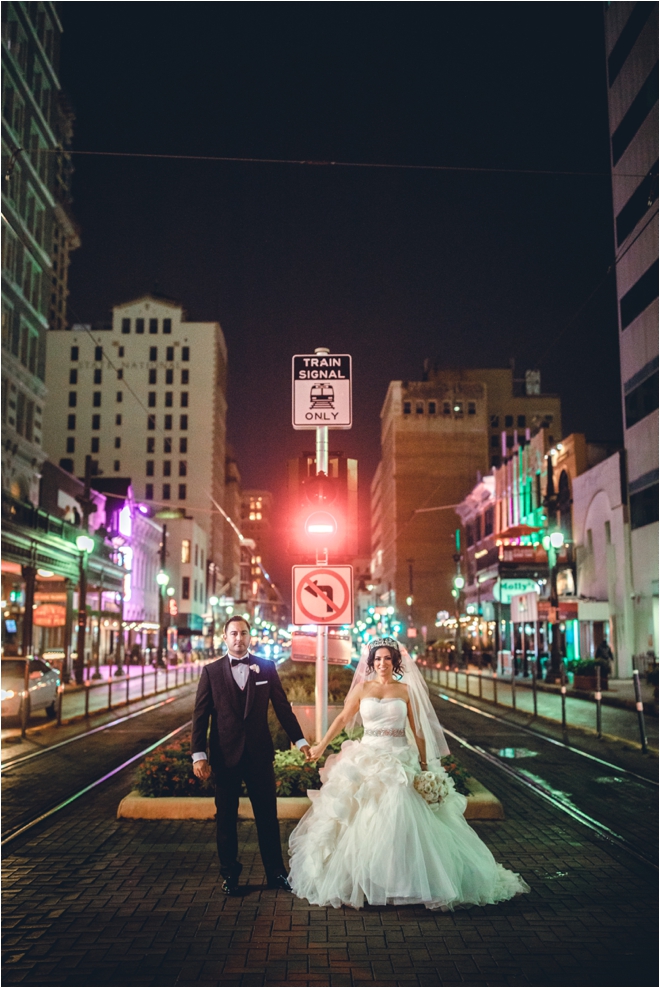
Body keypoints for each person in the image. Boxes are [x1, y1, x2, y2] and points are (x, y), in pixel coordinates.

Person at [288, 636, 530, 910]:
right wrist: (320, 746)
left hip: (399, 758)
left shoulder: (405, 690)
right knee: (361, 816)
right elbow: (343, 718)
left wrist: (427, 767)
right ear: (371, 663)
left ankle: (404, 882)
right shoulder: (362, 689)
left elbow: (417, 731)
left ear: (395, 662)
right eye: (377, 659)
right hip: (366, 757)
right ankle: (366, 880)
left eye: (387, 659)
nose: (382, 663)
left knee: (400, 809)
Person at [191, 616, 311, 894]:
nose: (239, 638)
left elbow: (282, 707)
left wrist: (300, 740)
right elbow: (200, 715)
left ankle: (276, 873)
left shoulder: (266, 668)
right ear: (225, 637)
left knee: (268, 816)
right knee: (226, 818)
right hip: (225, 755)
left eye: (244, 633)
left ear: (250, 636)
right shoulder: (211, 672)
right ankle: (229, 875)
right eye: (233, 633)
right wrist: (199, 754)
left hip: (259, 755)